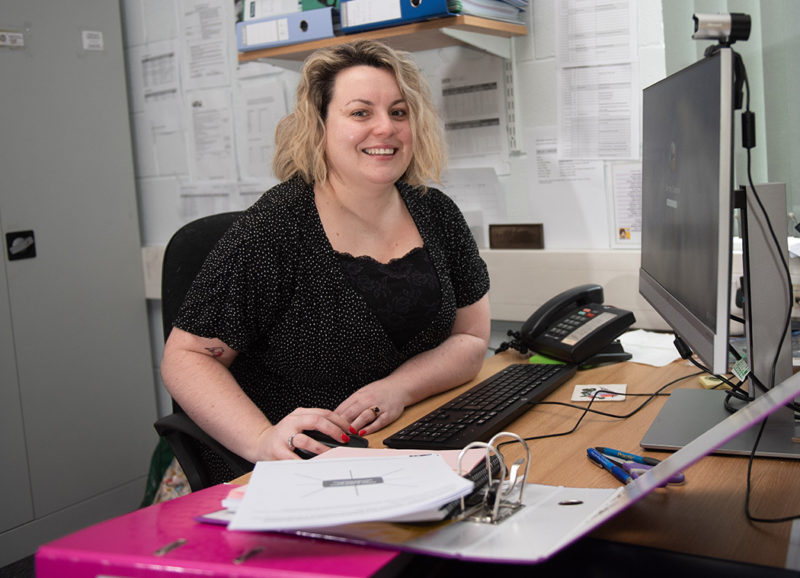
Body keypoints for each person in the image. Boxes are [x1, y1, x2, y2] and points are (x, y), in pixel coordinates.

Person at [161, 39, 491, 483]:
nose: (385, 129)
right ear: (319, 127)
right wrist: (261, 438)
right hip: (295, 464)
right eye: (360, 113)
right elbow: (186, 357)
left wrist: (399, 388)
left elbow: (470, 338)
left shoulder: (437, 212)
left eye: (398, 112)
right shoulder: (277, 226)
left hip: (401, 441)